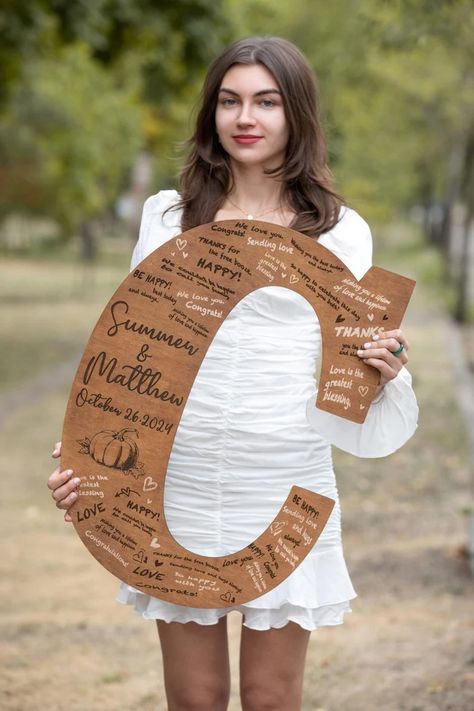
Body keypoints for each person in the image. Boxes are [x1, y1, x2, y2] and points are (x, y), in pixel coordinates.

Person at [48, 36, 418, 711]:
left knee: (273, 698)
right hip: (179, 475)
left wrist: (385, 369)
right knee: (195, 698)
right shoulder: (166, 218)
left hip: (284, 473)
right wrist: (90, 455)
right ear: (212, 113)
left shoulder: (340, 232)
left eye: (266, 102)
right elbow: (135, 356)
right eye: (230, 100)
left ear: (295, 114)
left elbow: (348, 386)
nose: (245, 117)